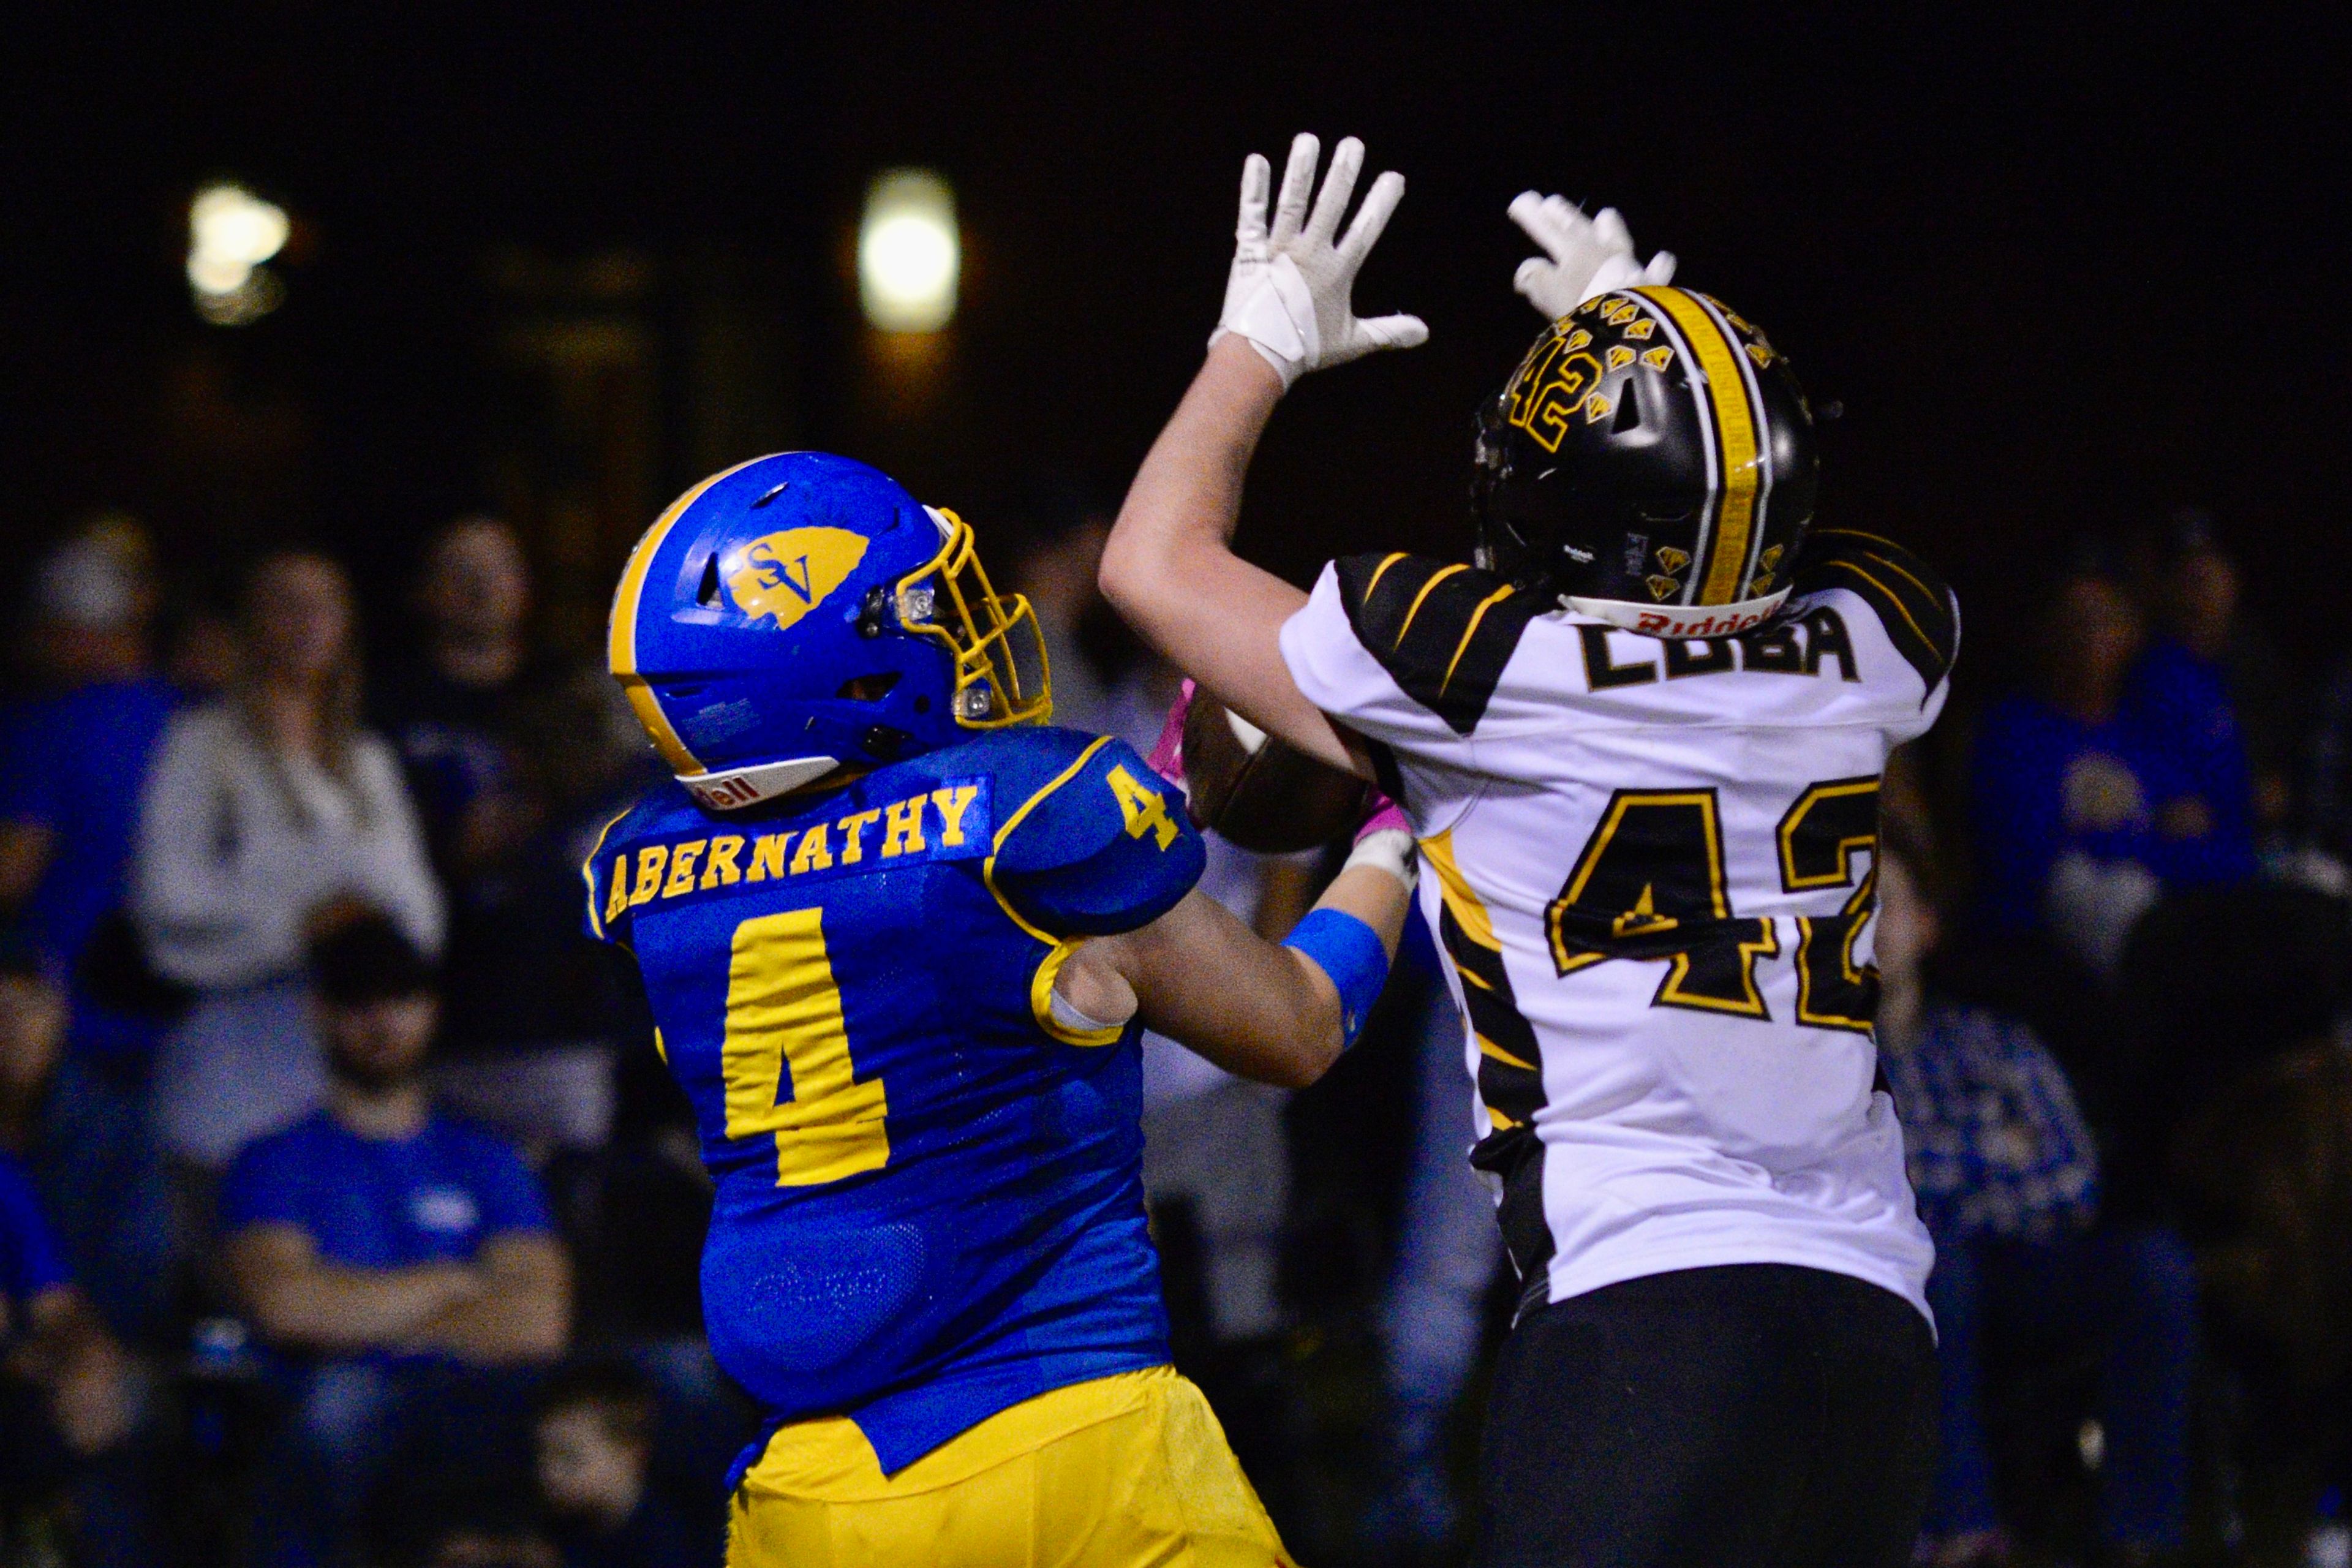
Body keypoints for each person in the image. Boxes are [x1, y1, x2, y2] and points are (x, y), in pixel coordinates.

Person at [1100, 134, 1951, 1566]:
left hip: (1646, 1316)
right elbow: (1771, 543)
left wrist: (1253, 344)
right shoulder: (1879, 635)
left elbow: (1151, 564)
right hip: (1871, 1325)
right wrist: (1683, 376)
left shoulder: (1480, 665)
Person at [587, 450, 1415, 1564]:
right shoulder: (1035, 814)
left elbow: (880, 909)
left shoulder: (647, 875)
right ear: (839, 655)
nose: (958, 627)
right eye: (920, 606)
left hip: (813, 1502)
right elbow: (1300, 1025)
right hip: (1072, 1450)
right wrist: (1393, 831)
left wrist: (1164, 809)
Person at [1874, 831, 2195, 1566]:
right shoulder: (1829, 1060)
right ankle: (1964, 1532)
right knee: (1934, 1260)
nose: (1864, 927)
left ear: (1927, 923)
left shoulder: (1994, 1042)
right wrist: (1991, 1157)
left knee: (2152, 1266)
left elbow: (2070, 1175)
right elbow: (1859, 1190)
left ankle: (2140, 1537)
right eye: (1846, 907)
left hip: (2024, 1267)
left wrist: (1937, 1185)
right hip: (1901, 1282)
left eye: (1884, 904)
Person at [222, 913, 569, 1566]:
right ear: (320, 1013)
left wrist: (374, 1317)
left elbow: (538, 1320)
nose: (381, 1021)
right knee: (339, 1409)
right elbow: (290, 1310)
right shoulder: (272, 1160)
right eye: (358, 1000)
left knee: (658, 1390)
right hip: (341, 1399)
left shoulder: (488, 1157)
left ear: (431, 1008)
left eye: (401, 998)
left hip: (483, 1394)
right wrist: (454, 1281)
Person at [133, 548, 443, 1172]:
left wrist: (361, 929)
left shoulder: (367, 760)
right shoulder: (202, 746)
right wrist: (303, 925)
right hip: (232, 1051)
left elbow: (421, 916)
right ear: (251, 623)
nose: (307, 621)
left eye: (324, 604)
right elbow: (167, 901)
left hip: (347, 1062)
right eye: (286, 604)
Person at [375, 514, 650, 1156]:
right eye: (459, 571)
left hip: (563, 1027)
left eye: (498, 569)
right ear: (422, 592)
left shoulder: (583, 696)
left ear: (525, 587)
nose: (480, 587)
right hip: (429, 1021)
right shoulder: (384, 707)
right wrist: (452, 858)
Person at [535, 1359, 706, 1568]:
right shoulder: (569, 1528)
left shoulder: (669, 1542)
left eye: (570, 1457)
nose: (549, 1473)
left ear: (628, 1454)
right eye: (542, 1455)